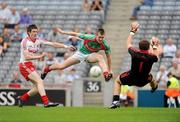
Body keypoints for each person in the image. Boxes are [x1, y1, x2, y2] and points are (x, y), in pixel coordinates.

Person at [18, 24, 76, 108]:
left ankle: (22, 98)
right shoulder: (25, 42)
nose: (35, 33)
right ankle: (46, 102)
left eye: (36, 31)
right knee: (40, 82)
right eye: (33, 32)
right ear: (28, 33)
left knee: (38, 87)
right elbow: (27, 57)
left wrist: (66, 46)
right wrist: (40, 56)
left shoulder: (38, 40)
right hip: (24, 65)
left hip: (30, 65)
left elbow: (52, 43)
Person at [109, 22, 160, 109]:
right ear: (148, 48)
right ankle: (154, 88)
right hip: (143, 79)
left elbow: (128, 43)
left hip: (131, 77)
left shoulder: (135, 53)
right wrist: (154, 45)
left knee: (117, 81)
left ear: (139, 47)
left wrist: (132, 31)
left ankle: (116, 102)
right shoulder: (151, 57)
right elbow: (156, 56)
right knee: (152, 80)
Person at [41, 28, 113, 82]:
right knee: (61, 66)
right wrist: (63, 32)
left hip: (90, 56)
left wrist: (109, 70)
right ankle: (47, 69)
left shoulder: (105, 45)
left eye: (102, 37)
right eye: (99, 37)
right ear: (96, 35)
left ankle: (105, 75)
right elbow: (75, 34)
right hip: (80, 54)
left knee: (100, 57)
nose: (101, 39)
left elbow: (109, 58)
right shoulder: (89, 37)